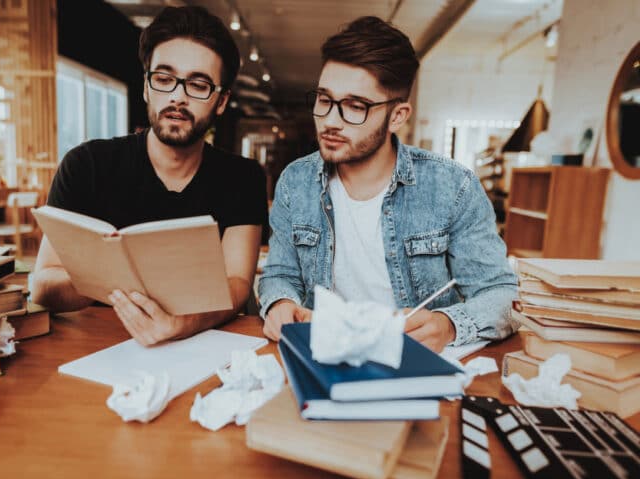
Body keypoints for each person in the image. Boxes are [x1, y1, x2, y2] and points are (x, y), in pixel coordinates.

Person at [258, 16, 517, 351]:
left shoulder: (453, 187)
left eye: (355, 106)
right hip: (324, 357)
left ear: (397, 116)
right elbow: (279, 274)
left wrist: (449, 325)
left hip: (415, 364)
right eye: (324, 100)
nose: (330, 121)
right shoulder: (296, 181)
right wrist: (280, 303)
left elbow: (501, 294)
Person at [32, 6, 267, 346]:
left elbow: (237, 283)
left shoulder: (242, 177)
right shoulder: (87, 164)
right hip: (98, 342)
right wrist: (112, 278)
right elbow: (43, 286)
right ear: (146, 87)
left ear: (220, 101)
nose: (177, 96)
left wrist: (180, 324)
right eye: (164, 78)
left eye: (198, 84)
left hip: (199, 342)